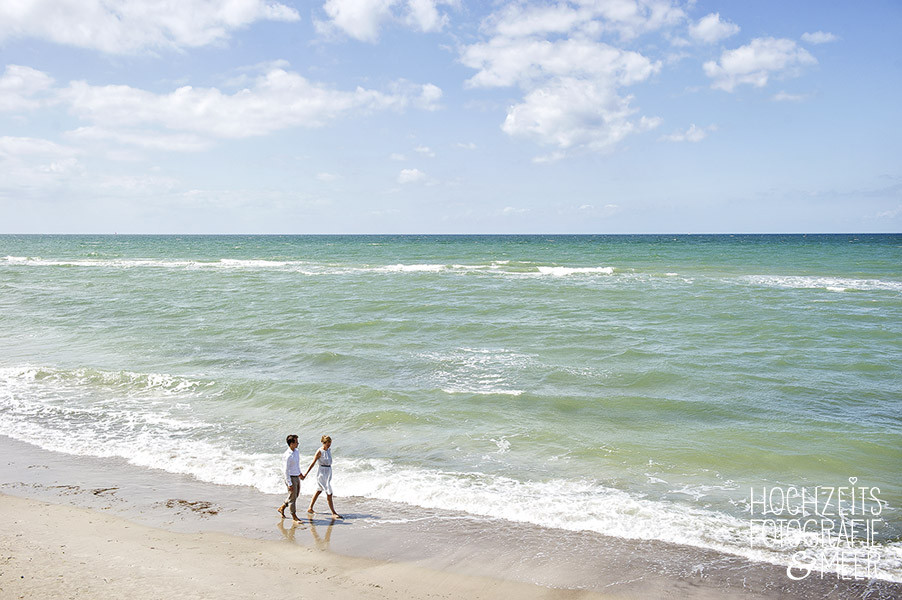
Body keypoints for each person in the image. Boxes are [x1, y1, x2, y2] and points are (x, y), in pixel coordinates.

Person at [304, 434, 342, 519]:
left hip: (328, 472)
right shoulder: (319, 451)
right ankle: (333, 512)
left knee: (319, 490)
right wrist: (306, 474)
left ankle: (310, 508)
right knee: (329, 492)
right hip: (322, 473)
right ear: (323, 442)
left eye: (329, 442)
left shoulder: (329, 450)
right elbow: (313, 463)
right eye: (326, 443)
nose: (328, 444)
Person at [278, 434, 305, 522]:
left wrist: (300, 473)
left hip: (296, 476)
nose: (298, 443)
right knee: (293, 498)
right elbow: (285, 470)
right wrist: (289, 483)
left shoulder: (296, 451)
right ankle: (294, 516)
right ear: (291, 443)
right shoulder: (287, 455)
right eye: (296, 442)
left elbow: (296, 465)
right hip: (290, 477)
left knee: (294, 495)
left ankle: (282, 507)